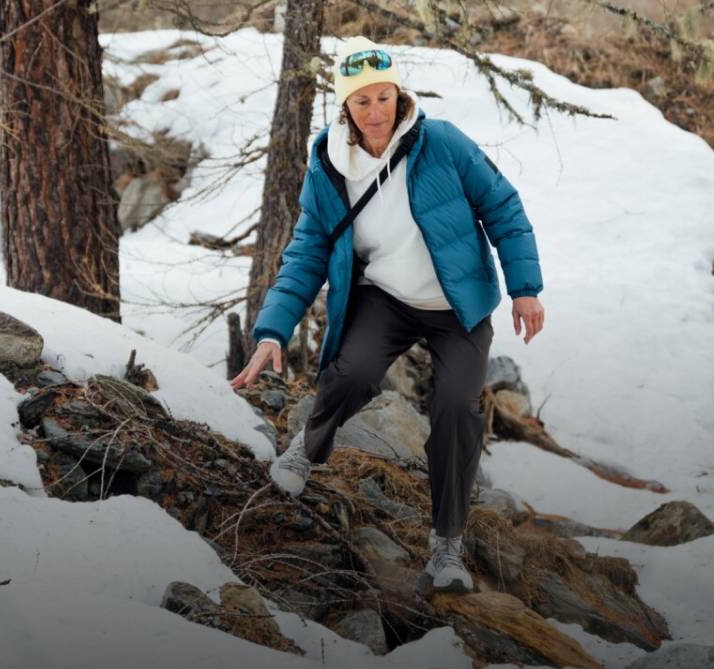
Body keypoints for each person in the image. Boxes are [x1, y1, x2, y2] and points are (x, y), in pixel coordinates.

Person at [231, 36, 545, 593]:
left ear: (399, 96)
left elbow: (503, 205)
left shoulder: (442, 142)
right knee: (351, 373)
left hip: (457, 306)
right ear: (345, 107)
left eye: (383, 97)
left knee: (455, 408)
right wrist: (272, 330)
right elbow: (306, 251)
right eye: (362, 101)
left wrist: (524, 287)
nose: (375, 112)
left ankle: (446, 545)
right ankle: (308, 446)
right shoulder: (330, 163)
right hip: (386, 297)